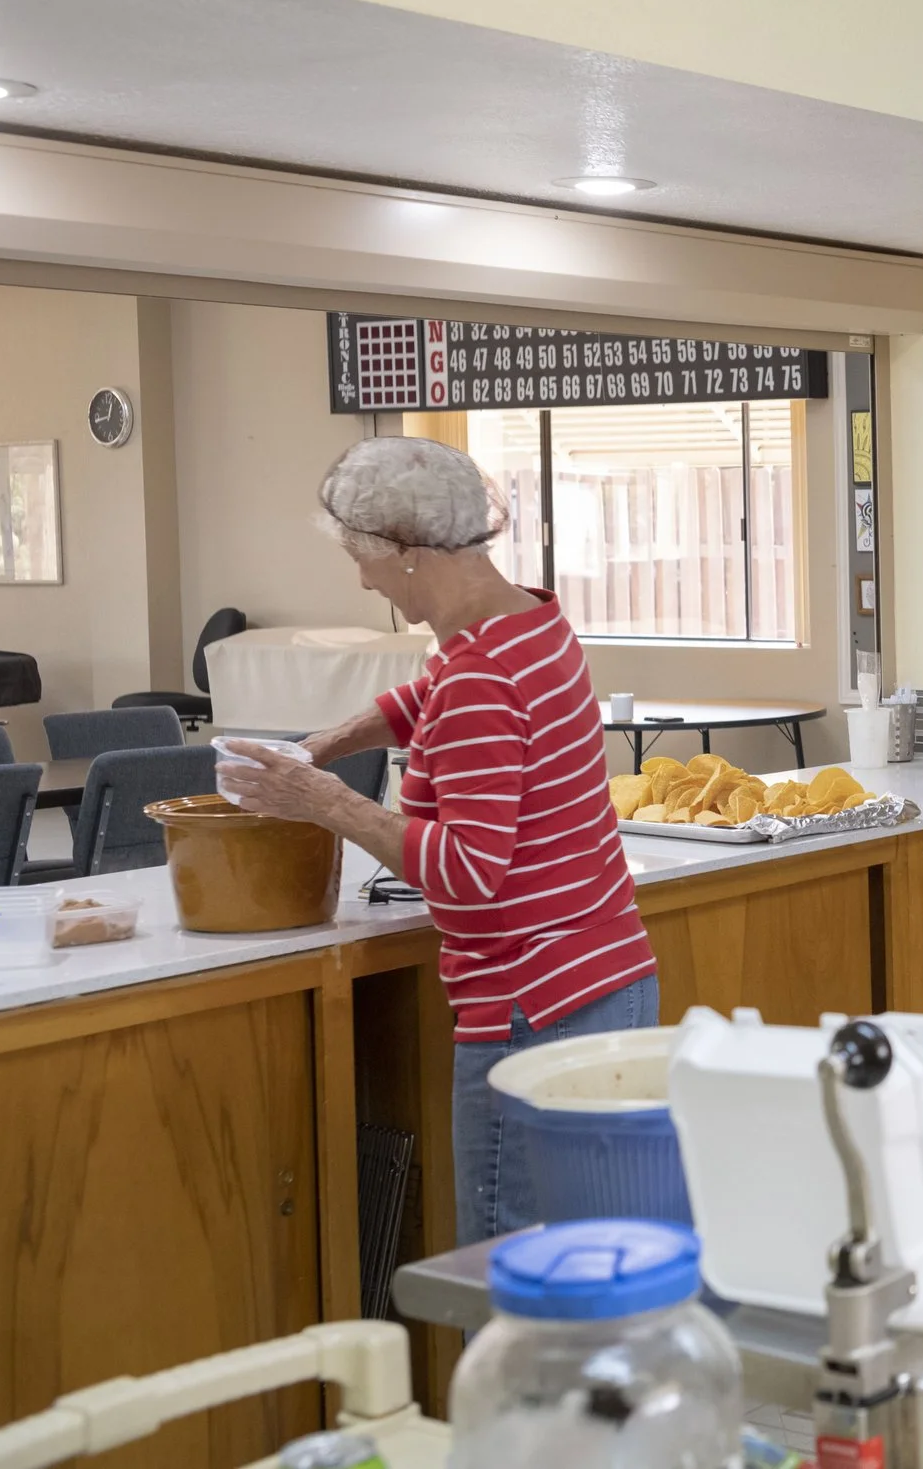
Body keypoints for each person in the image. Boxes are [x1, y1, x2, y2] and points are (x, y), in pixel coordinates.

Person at [224, 436, 656, 1243]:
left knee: (509, 1258)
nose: (364, 580)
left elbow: (465, 870)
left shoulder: (479, 676)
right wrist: (326, 743)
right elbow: (432, 694)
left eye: (362, 559)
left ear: (408, 550)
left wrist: (322, 800)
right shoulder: (530, 623)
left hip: (534, 1001)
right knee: (589, 1250)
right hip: (607, 975)